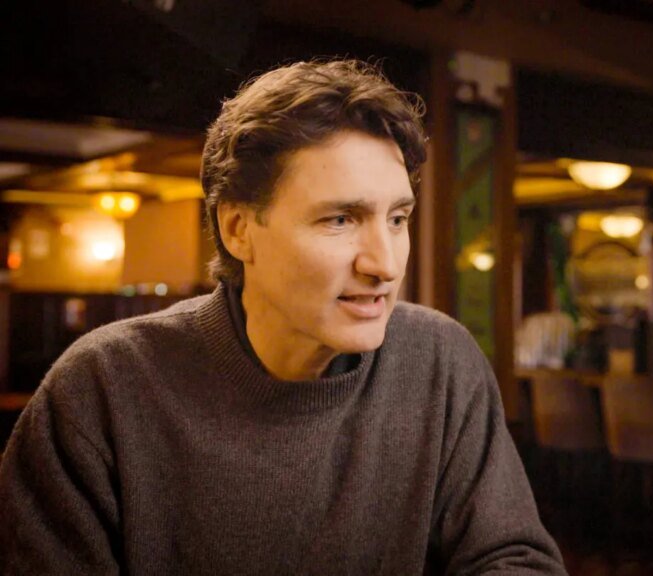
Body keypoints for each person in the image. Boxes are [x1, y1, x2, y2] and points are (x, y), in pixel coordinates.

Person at [0, 59, 566, 575]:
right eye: (340, 219)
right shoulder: (101, 387)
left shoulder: (441, 360)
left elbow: (515, 559)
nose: (386, 265)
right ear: (238, 229)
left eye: (397, 219)